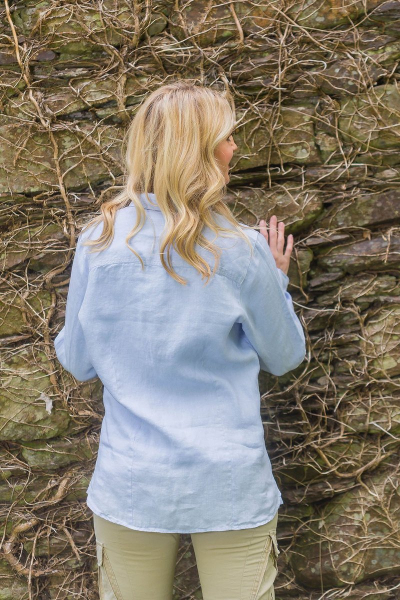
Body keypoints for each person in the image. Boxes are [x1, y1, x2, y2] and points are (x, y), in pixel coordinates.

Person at [53, 80, 306, 600]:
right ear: (197, 150)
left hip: (132, 481)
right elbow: (284, 356)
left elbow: (77, 362)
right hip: (228, 483)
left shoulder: (97, 242)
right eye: (226, 138)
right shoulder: (240, 250)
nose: (235, 149)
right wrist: (275, 279)